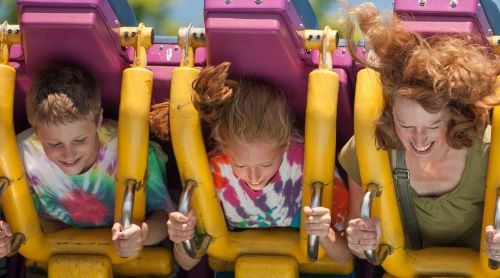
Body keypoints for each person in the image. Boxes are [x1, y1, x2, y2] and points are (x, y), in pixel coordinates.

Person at [151, 62, 352, 270]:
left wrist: (325, 234)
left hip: (313, 270)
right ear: (224, 150)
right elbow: (186, 263)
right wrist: (181, 238)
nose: (254, 177)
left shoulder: (309, 164)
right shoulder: (214, 173)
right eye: (240, 165)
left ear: (285, 146)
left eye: (266, 164)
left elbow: (345, 256)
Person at [340, 2, 500, 262]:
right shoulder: (369, 149)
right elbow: (355, 250)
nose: (419, 139)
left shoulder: (490, 150)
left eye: (433, 126)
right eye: (406, 126)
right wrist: (361, 240)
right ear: (391, 117)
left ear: (453, 118)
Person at [0, 66, 174, 258]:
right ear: (36, 129)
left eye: (79, 140)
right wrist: (5, 238)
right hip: (54, 254)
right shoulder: (19, 156)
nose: (69, 154)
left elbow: (164, 217)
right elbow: (10, 221)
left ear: (98, 120)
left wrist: (141, 235)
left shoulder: (134, 151)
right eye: (54, 143)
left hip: (132, 258)